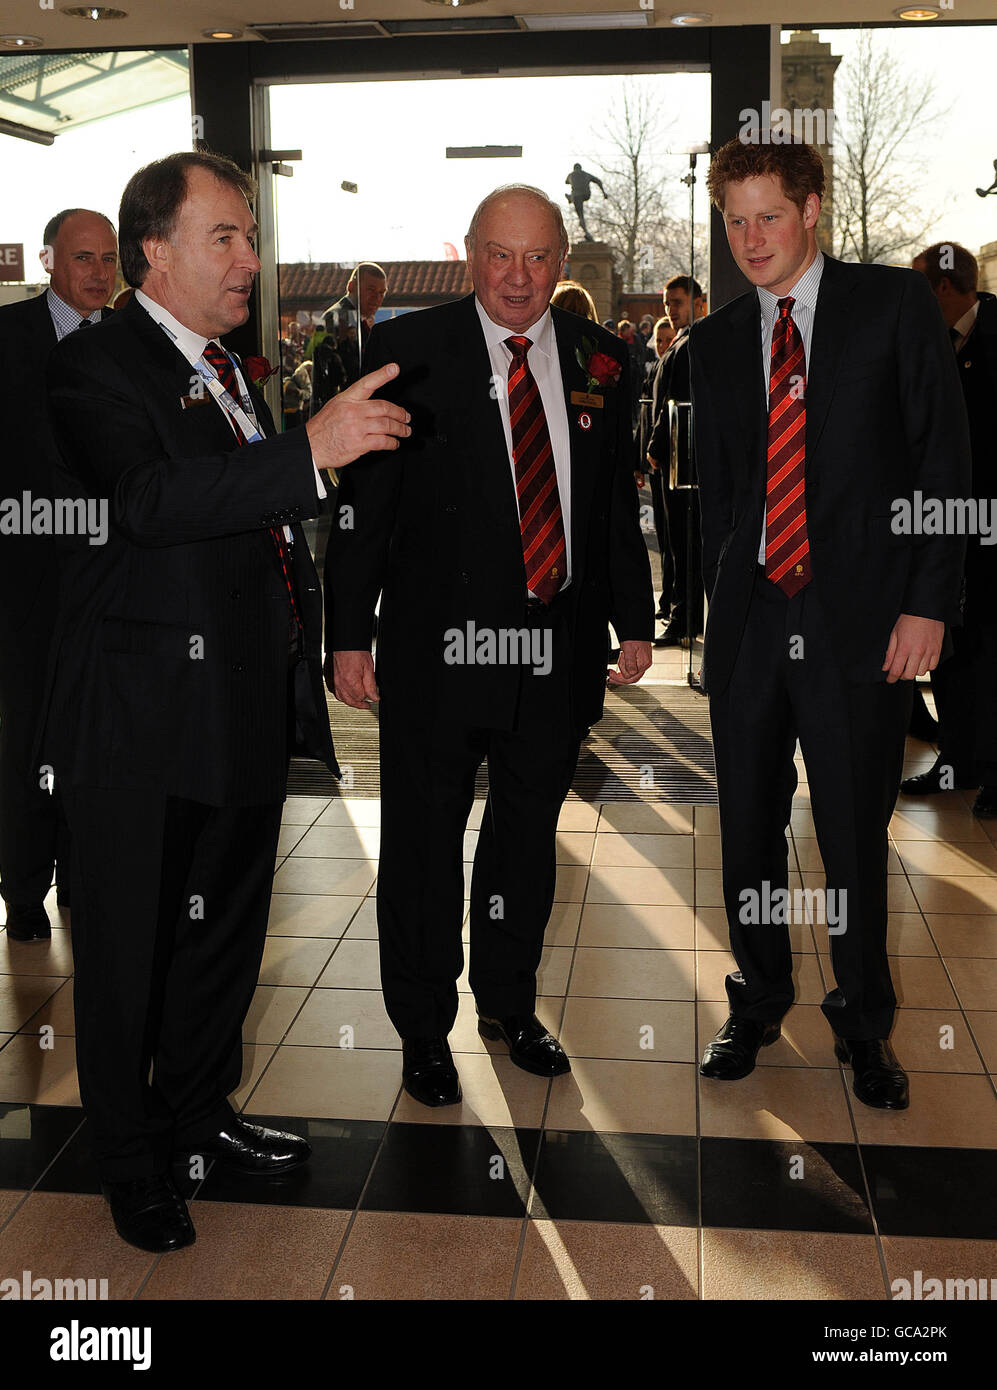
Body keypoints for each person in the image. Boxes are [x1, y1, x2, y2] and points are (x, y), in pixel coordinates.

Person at [41, 150, 409, 1253]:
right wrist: (311, 450)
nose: (251, 257)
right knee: (127, 955)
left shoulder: (231, 367)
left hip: (242, 711)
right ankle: (131, 1161)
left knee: (219, 940)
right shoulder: (98, 366)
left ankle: (199, 1117)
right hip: (138, 724)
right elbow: (149, 503)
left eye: (249, 236)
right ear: (153, 251)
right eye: (226, 238)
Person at [324, 184, 654, 1108]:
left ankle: (509, 1004)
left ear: (559, 262)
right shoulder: (406, 354)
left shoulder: (600, 357)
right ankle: (422, 1029)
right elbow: (364, 511)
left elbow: (608, 504)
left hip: (554, 651)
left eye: (539, 256)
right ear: (470, 253)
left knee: (523, 839)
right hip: (437, 652)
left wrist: (634, 618)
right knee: (424, 845)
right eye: (501, 254)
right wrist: (349, 635)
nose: (519, 276)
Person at [690, 138, 970, 1110]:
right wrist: (705, 625)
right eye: (734, 220)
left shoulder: (891, 310)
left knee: (852, 836)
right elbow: (718, 501)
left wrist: (928, 603)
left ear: (811, 210)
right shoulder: (717, 342)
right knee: (747, 833)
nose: (750, 238)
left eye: (767, 215)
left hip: (861, 624)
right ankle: (757, 999)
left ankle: (863, 1024)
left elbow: (943, 463)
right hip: (754, 623)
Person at [0, 208, 117, 943]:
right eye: (84, 258)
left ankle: (82, 877)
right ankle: (21, 890)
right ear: (49, 261)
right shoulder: (6, 340)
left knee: (96, 736)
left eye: (109, 258)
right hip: (25, 580)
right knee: (26, 735)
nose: (100, 273)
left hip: (109, 578)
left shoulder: (134, 344)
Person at [901, 242, 997, 819]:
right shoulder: (925, 343)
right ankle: (958, 758)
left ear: (941, 287)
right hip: (943, 526)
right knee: (953, 648)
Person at [647, 274, 707, 645]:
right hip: (672, 461)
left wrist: (655, 445)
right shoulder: (680, 341)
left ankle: (685, 619)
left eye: (678, 303)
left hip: (682, 462)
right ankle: (681, 614)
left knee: (684, 544)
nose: (671, 310)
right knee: (675, 542)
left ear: (698, 303)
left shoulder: (694, 341)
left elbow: (676, 399)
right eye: (668, 303)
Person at [318, 261, 388, 399]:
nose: (377, 298)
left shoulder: (356, 318)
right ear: (351, 287)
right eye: (371, 290)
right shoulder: (339, 317)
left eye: (382, 293)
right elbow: (345, 372)